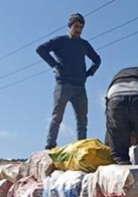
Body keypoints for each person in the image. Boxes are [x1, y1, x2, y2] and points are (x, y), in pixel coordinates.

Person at [37, 13, 102, 150]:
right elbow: (41, 49)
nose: (78, 30)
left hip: (80, 87)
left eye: (81, 27)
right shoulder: (61, 41)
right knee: (57, 117)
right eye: (76, 26)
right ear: (70, 26)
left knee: (82, 120)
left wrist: (89, 73)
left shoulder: (84, 44)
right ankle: (50, 146)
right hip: (63, 84)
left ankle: (81, 147)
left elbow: (97, 60)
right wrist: (54, 65)